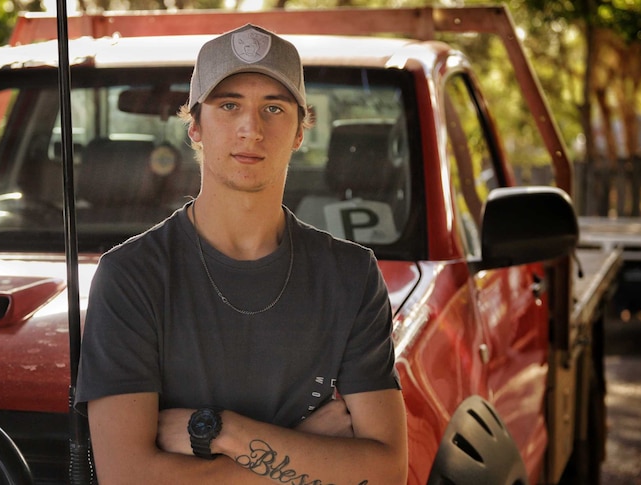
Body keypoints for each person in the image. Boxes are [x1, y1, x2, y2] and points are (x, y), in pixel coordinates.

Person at [75, 23, 408, 484]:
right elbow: (128, 477)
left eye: (273, 108)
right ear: (195, 125)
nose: (251, 129)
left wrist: (217, 432)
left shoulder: (350, 275)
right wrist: (310, 453)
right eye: (229, 105)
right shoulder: (132, 276)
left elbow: (387, 472)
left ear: (298, 131)